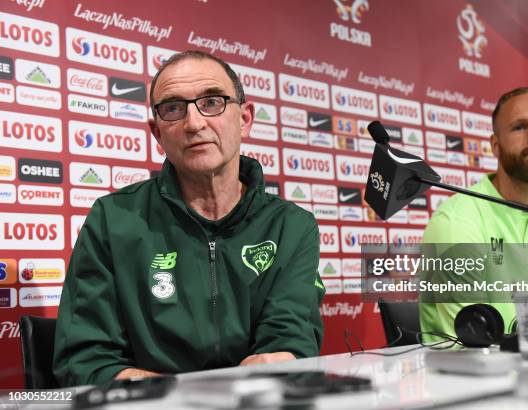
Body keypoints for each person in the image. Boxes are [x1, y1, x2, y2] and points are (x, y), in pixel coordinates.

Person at [53, 50, 325, 386]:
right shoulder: (112, 220)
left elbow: (290, 340)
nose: (194, 123)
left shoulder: (291, 226)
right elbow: (84, 359)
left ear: (245, 118)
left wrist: (280, 362)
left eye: (212, 102)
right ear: (157, 133)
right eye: (173, 108)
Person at [419, 87, 528, 339]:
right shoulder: (456, 222)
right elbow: (473, 341)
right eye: (519, 127)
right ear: (495, 145)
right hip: (468, 376)